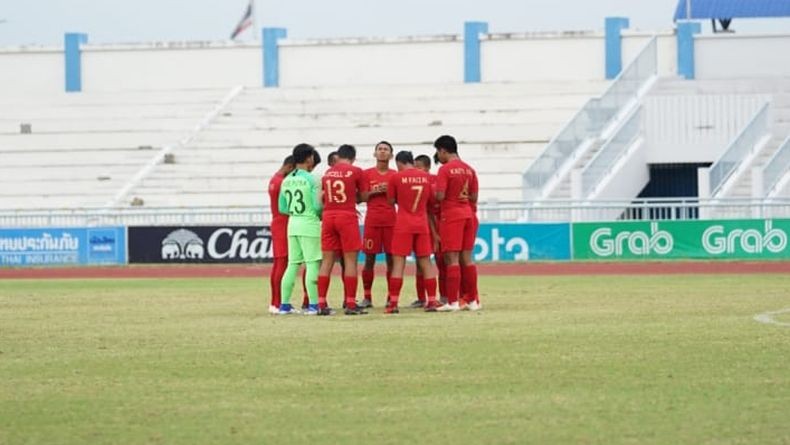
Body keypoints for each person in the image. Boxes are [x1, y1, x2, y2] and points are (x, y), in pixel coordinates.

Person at [384, 151, 440, 313]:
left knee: (398, 263)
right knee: (426, 263)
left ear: (399, 163)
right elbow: (431, 200)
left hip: (403, 224)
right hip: (421, 224)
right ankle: (431, 301)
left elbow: (390, 201)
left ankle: (393, 303)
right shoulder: (425, 177)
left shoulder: (395, 177)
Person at [317, 145, 368, 316]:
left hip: (328, 216)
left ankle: (322, 303)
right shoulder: (356, 171)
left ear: (338, 156)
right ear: (353, 158)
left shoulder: (328, 173)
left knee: (327, 261)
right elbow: (363, 197)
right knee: (350, 261)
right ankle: (351, 303)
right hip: (346, 216)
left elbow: (323, 197)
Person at [434, 135, 480, 312]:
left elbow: (440, 196)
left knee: (451, 258)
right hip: (468, 214)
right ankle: (472, 301)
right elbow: (474, 197)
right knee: (467, 258)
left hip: (451, 215)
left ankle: (452, 302)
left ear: (443, 151)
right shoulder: (470, 169)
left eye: (439, 152)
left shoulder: (445, 170)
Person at [277, 143, 323, 315]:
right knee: (312, 264)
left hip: (292, 224)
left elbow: (282, 208)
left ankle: (284, 305)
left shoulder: (286, 180)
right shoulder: (312, 179)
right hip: (309, 224)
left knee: (292, 265)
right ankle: (313, 305)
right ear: (309, 157)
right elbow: (318, 207)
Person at [360, 141, 397, 308]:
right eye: (380, 149)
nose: (382, 152)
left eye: (386, 150)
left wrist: (388, 191)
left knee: (392, 259)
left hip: (391, 221)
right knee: (369, 259)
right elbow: (359, 197)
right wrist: (375, 191)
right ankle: (367, 297)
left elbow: (399, 198)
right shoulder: (366, 174)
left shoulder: (395, 175)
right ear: (374, 154)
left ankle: (391, 297)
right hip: (372, 221)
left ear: (391, 155)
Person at [267, 155, 303, 315]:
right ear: (289, 167)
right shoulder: (282, 182)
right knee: (282, 264)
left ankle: (275, 302)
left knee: (278, 264)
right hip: (283, 224)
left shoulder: (274, 180)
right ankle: (278, 303)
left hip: (278, 223)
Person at [410, 154, 445, 308]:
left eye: (419, 167)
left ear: (427, 167)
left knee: (437, 260)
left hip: (434, 222)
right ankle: (423, 297)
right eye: (415, 167)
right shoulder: (422, 179)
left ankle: (442, 296)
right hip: (423, 222)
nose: (416, 170)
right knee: (421, 261)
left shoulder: (433, 179)